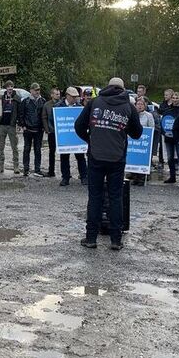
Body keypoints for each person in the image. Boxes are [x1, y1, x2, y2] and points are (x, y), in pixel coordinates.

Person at [74, 77, 142, 250]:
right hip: (117, 158)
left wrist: (90, 139)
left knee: (95, 197)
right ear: (123, 89)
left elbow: (78, 126)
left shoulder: (94, 102)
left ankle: (91, 238)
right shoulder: (129, 107)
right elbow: (137, 133)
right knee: (115, 198)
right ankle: (116, 240)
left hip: (96, 156)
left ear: (108, 87)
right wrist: (122, 128)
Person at [58, 87, 87, 187]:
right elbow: (54, 119)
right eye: (73, 97)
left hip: (77, 137)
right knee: (64, 157)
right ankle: (65, 177)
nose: (75, 99)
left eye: (76, 97)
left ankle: (84, 176)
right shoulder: (59, 106)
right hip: (65, 136)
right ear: (67, 96)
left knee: (80, 157)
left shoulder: (79, 107)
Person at [19, 82, 46, 176]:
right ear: (31, 90)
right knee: (26, 149)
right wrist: (23, 125)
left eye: (38, 90)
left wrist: (44, 127)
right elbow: (21, 114)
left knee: (38, 150)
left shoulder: (43, 101)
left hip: (39, 130)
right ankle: (26, 169)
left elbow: (44, 115)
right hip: (28, 129)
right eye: (35, 90)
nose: (37, 91)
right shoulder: (25, 101)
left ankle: (37, 169)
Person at [131, 96, 157, 185]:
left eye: (141, 104)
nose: (140, 106)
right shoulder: (133, 114)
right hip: (134, 142)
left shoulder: (149, 115)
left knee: (142, 158)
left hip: (144, 142)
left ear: (145, 105)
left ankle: (142, 178)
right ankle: (134, 177)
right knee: (134, 157)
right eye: (138, 104)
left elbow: (152, 128)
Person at [0, 80, 21, 174]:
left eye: (11, 86)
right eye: (8, 86)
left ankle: (16, 166)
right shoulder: (2, 98)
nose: (10, 88)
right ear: (6, 88)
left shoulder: (17, 98)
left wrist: (19, 123)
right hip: (2, 124)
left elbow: (19, 112)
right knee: (0, 146)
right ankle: (0, 166)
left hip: (12, 125)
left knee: (14, 147)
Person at [159, 91, 179, 184]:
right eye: (173, 98)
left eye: (177, 98)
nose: (175, 100)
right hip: (169, 138)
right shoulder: (167, 110)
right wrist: (164, 133)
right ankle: (172, 177)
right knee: (170, 158)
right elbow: (163, 123)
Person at [42, 87, 61, 177]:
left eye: (59, 94)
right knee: (51, 152)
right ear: (52, 95)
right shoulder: (47, 105)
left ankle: (65, 173)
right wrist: (47, 130)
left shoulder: (62, 104)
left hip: (61, 132)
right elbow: (44, 117)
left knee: (63, 153)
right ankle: (51, 171)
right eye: (56, 94)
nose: (58, 95)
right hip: (51, 132)